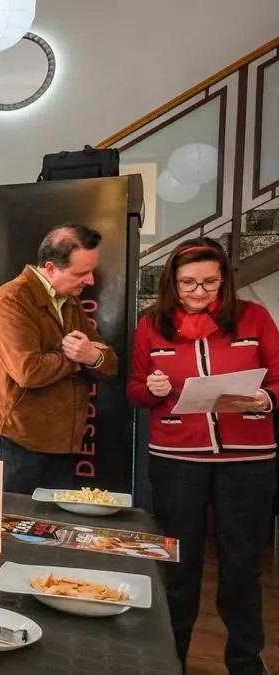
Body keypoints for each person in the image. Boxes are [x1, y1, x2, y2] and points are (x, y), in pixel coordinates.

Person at [127, 237, 277, 675]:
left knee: (242, 564)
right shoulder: (151, 325)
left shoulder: (255, 317)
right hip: (177, 459)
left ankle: (246, 661)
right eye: (189, 282)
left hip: (247, 462)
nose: (199, 291)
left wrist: (266, 400)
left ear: (225, 280)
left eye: (210, 282)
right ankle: (171, 660)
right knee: (178, 563)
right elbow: (136, 388)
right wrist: (149, 390)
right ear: (172, 282)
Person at [0, 223, 119, 493]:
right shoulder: (12, 299)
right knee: (9, 529)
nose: (91, 280)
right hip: (15, 442)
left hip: (61, 444)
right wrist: (81, 358)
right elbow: (28, 371)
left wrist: (92, 355)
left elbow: (109, 361)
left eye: (92, 270)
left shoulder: (70, 301)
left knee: (51, 533)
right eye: (82, 272)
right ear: (51, 268)